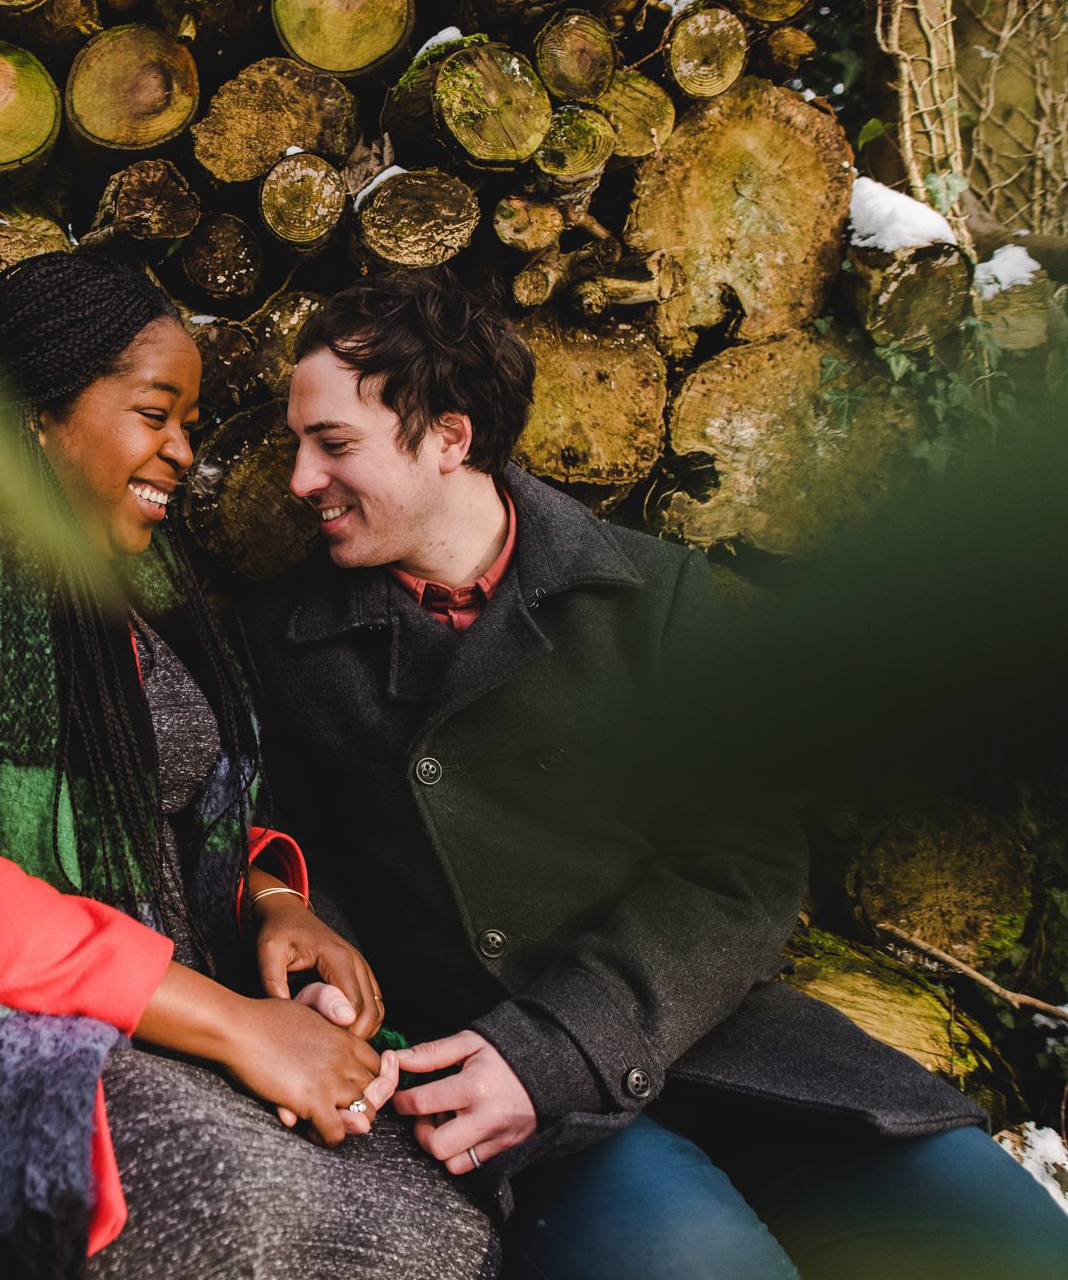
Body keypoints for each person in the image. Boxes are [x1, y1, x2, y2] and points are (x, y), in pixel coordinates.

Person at [237, 267, 1068, 1278]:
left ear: (447, 437)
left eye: (331, 445)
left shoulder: (650, 591)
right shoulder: (281, 639)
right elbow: (279, 837)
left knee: (1011, 1244)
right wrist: (308, 935)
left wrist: (563, 1039)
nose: (295, 481)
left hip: (714, 1034)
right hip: (497, 1097)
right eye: (295, 444)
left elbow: (746, 861)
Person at [0, 253, 500, 1277]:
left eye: (188, 422)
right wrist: (233, 1025)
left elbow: (160, 808)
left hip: (145, 1008)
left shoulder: (146, 592)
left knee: (441, 1225)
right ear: (38, 412)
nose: (180, 450)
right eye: (153, 411)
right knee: (250, 1212)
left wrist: (268, 902)